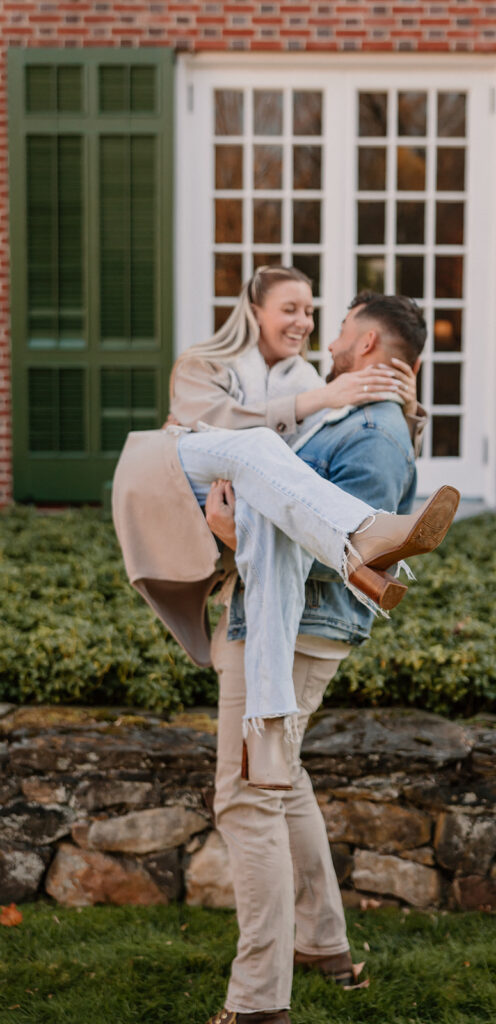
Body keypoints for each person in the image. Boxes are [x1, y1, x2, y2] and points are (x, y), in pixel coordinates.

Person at [113, 268, 459, 786]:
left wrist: (406, 414)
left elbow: (330, 458)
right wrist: (321, 398)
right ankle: (363, 539)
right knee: (259, 448)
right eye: (290, 309)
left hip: (233, 505)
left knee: (271, 534)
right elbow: (214, 424)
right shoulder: (203, 363)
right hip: (171, 470)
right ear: (254, 312)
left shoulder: (303, 378)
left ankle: (268, 725)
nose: (305, 322)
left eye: (311, 311)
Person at [201, 291, 442, 1024]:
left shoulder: (373, 435)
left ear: (367, 344)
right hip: (282, 624)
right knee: (284, 781)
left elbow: (330, 555)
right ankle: (323, 945)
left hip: (294, 632)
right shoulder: (358, 414)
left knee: (247, 802)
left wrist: (227, 529)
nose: (328, 335)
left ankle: (256, 1002)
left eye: (340, 325)